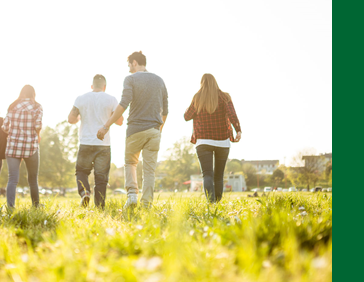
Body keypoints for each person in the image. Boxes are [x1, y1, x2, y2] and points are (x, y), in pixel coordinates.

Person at [97, 51, 168, 210]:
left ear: (135, 62)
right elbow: (165, 111)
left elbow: (123, 104)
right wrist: (159, 130)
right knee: (149, 170)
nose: (129, 68)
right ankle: (147, 204)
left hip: (135, 130)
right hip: (154, 131)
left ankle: (132, 197)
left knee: (130, 163)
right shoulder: (159, 80)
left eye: (129, 64)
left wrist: (106, 125)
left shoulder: (130, 79)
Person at [184, 73, 241, 203]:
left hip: (203, 141)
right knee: (218, 176)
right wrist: (238, 130)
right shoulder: (224, 97)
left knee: (207, 175)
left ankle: (211, 203)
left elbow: (187, 116)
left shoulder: (197, 98)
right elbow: (232, 115)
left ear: (202, 84)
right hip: (223, 141)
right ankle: (218, 203)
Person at [68, 74, 123, 208]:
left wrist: (81, 117)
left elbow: (71, 119)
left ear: (92, 86)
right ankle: (99, 207)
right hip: (103, 144)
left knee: (81, 171)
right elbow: (120, 122)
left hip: (86, 142)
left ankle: (85, 192)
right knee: (101, 178)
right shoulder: (111, 99)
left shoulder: (81, 98)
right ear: (105, 87)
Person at [2, 85, 43, 210]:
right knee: (32, 179)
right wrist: (37, 134)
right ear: (33, 94)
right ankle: (35, 206)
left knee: (12, 179)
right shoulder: (37, 107)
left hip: (13, 146)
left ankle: (10, 207)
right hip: (30, 146)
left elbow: (4, 127)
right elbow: (38, 125)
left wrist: (13, 132)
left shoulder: (12, 106)